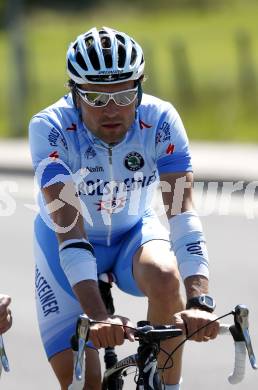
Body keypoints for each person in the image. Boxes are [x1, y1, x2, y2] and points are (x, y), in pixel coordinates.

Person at [29, 26, 219, 390]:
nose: (111, 110)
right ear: (75, 93)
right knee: (87, 383)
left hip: (133, 232)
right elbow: (70, 233)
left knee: (165, 276)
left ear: (141, 87)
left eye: (124, 95)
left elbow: (182, 214)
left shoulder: (161, 121)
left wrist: (200, 302)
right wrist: (100, 318)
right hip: (63, 245)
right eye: (97, 99)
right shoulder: (50, 128)